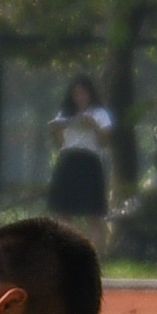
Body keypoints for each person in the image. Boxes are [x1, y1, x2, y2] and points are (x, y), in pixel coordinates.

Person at [46, 78, 114, 240]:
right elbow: (59, 143)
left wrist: (94, 125)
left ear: (91, 94)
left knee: (93, 215)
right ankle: (67, 257)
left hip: (89, 162)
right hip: (67, 161)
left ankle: (94, 259)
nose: (80, 97)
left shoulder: (100, 113)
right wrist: (57, 130)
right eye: (76, 94)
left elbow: (105, 141)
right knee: (62, 213)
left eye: (83, 93)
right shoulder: (64, 114)